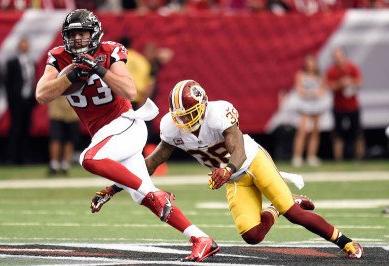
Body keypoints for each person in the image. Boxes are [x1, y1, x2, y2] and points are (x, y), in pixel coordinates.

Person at [93, 80, 364, 259]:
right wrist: (116, 186)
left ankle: (346, 242)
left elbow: (238, 147)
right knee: (252, 236)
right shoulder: (170, 126)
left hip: (250, 163)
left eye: (190, 114)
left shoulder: (218, 112)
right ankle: (277, 207)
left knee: (294, 215)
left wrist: (228, 168)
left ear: (203, 105)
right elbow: (152, 161)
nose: (185, 121)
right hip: (232, 178)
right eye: (180, 116)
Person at [36, 9, 219, 262]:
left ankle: (160, 196)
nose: (77, 39)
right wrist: (72, 75)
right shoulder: (59, 57)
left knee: (88, 159)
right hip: (105, 134)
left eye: (83, 33)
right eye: (73, 34)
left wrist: (98, 69)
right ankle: (201, 238)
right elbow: (42, 94)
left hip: (125, 124)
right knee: (144, 195)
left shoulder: (110, 52)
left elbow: (130, 89)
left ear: (95, 34)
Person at [326, 47, 364, 161]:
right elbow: (330, 87)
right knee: (338, 134)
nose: (338, 59)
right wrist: (340, 84)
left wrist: (350, 81)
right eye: (336, 57)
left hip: (353, 106)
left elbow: (359, 82)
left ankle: (360, 158)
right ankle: (338, 159)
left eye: (340, 56)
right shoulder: (331, 71)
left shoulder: (352, 67)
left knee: (357, 132)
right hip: (339, 107)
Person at [5, 38, 37, 165]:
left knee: (26, 129)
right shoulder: (12, 63)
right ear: (19, 47)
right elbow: (8, 84)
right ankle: (12, 158)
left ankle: (24, 158)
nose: (24, 47)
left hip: (28, 101)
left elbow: (33, 81)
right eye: (22, 45)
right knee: (15, 129)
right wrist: (12, 101)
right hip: (16, 102)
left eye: (26, 45)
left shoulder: (32, 62)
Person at [292, 54, 327, 167]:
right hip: (305, 106)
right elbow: (300, 90)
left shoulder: (320, 76)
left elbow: (324, 89)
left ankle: (311, 156)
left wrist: (319, 93)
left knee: (315, 132)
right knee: (303, 131)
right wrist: (312, 93)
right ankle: (297, 156)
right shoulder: (301, 75)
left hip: (317, 106)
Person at [48, 96, 80, 175]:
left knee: (69, 140)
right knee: (56, 139)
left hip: (72, 111)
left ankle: (64, 165)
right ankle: (54, 164)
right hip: (58, 111)